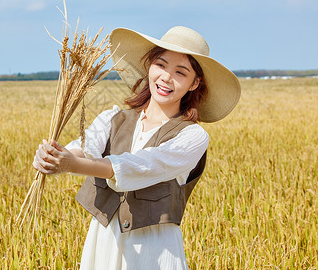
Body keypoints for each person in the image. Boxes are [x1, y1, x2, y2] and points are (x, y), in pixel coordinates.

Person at [33, 26, 241, 269]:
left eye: (180, 72)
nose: (166, 77)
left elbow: (144, 165)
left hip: (153, 250)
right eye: (161, 65)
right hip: (104, 240)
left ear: (195, 83)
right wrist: (55, 157)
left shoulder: (192, 137)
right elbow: (85, 147)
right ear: (149, 66)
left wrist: (72, 164)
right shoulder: (113, 119)